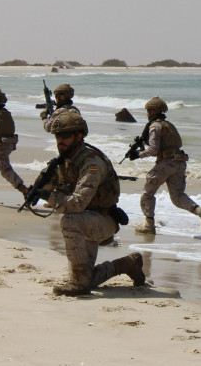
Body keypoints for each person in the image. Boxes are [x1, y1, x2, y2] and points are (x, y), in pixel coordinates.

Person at [41, 113, 146, 296]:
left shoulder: (92, 163)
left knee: (69, 221)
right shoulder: (64, 160)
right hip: (86, 221)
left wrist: (49, 196)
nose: (60, 141)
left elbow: (77, 204)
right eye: (57, 136)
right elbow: (46, 186)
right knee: (87, 278)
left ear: (79, 136)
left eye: (65, 136)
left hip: (103, 220)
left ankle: (78, 283)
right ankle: (128, 264)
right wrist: (37, 188)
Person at [128, 97, 201, 234]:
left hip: (166, 164)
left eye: (148, 111)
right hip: (179, 163)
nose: (147, 114)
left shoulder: (155, 126)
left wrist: (138, 155)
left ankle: (149, 224)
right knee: (177, 197)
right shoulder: (169, 125)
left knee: (147, 193)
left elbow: (153, 149)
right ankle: (200, 211)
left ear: (153, 111)